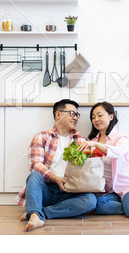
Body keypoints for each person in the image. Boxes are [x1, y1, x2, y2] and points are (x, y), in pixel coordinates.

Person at [15, 99, 97, 231]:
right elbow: (35, 164)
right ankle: (35, 212)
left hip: (69, 192)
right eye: (71, 113)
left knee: (91, 201)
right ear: (58, 114)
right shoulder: (41, 137)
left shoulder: (82, 141)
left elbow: (88, 170)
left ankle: (38, 214)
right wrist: (54, 177)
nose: (75, 117)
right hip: (46, 190)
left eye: (77, 115)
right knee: (34, 175)